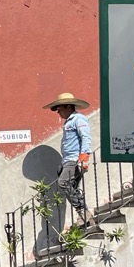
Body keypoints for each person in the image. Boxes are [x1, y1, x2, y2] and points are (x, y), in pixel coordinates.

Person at [45, 91, 91, 226]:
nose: (58, 113)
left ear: (69, 107)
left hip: (74, 160)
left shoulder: (78, 119)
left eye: (59, 109)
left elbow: (86, 137)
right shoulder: (68, 122)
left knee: (63, 182)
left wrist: (83, 157)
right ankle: (86, 218)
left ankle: (82, 211)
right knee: (73, 187)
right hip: (68, 160)